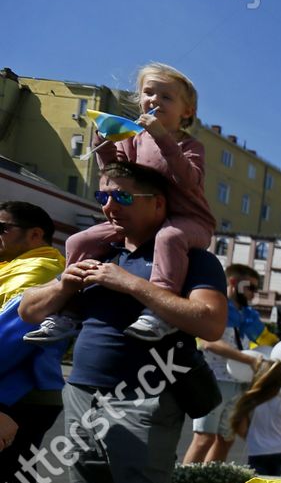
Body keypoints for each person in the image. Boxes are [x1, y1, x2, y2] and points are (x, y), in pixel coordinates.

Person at [18, 161, 227, 483]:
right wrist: (66, 283)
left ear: (158, 204)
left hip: (144, 401)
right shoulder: (96, 249)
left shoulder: (190, 256)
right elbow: (28, 311)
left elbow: (208, 320)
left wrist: (128, 284)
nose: (108, 206)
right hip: (80, 396)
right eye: (104, 195)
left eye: (123, 197)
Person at [29, 63, 214, 345]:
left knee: (169, 236)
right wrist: (104, 143)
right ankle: (70, 310)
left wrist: (163, 139)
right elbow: (116, 174)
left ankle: (158, 312)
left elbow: (188, 180)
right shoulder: (134, 139)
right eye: (149, 93)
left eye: (166, 97)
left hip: (189, 221)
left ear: (186, 111)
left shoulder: (189, 145)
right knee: (79, 241)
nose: (154, 100)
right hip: (140, 221)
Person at [0, 201, 66, 483]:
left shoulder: (38, 273)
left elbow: (15, 343)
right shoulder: (15, 269)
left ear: (35, 234)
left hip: (17, 395)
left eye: (2, 227)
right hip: (16, 395)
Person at [183, 265, 264, 464]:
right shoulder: (218, 306)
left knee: (226, 440)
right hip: (214, 380)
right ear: (234, 283)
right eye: (251, 288)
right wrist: (250, 360)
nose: (254, 294)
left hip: (238, 383)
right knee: (204, 438)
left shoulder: (246, 314)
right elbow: (208, 342)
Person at [230, 359, 281, 476]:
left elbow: (242, 429)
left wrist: (251, 438)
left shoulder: (251, 402)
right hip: (280, 450)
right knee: (274, 482)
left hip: (258, 451)